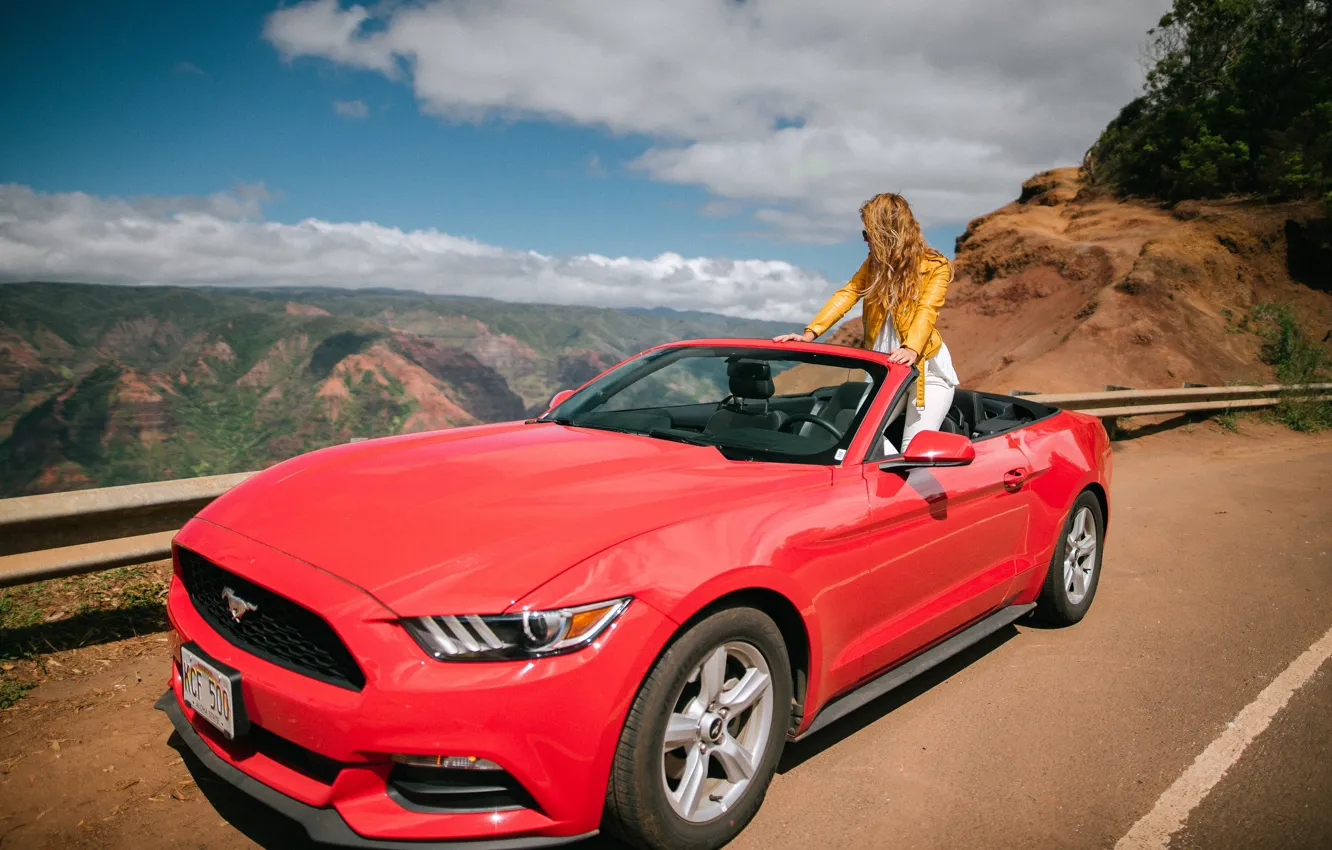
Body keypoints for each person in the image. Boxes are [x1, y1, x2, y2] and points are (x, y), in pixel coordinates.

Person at [774, 192, 958, 454]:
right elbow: (848, 293)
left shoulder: (935, 266)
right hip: (884, 373)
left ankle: (911, 485)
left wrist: (911, 348)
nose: (865, 240)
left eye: (867, 232)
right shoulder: (874, 265)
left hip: (926, 374)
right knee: (855, 441)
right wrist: (810, 333)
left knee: (914, 450)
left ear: (887, 232)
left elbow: (927, 310)